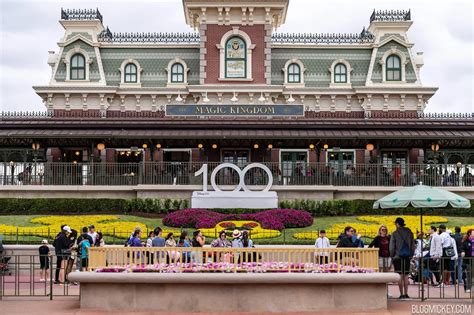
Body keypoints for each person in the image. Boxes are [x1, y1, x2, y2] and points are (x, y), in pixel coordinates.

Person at [389, 217, 414, 300]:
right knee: (406, 275)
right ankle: (406, 294)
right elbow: (413, 245)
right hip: (407, 256)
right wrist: (411, 255)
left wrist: (392, 255)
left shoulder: (395, 233)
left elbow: (392, 247)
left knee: (400, 275)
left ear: (397, 224)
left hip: (397, 257)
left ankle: (401, 294)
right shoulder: (410, 233)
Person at [461, 229, 473, 293]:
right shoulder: (466, 241)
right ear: (469, 234)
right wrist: (463, 252)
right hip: (468, 261)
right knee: (468, 274)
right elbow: (462, 247)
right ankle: (468, 287)